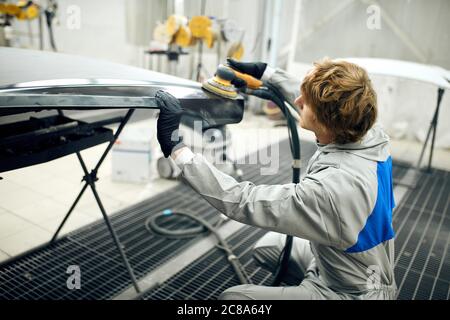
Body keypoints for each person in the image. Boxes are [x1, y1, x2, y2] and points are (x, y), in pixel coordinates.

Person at [154, 58, 397, 300]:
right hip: (339, 263)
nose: (298, 102)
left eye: (306, 103)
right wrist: (268, 75)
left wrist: (177, 149)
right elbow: (321, 103)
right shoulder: (370, 135)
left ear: (326, 121)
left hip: (350, 292)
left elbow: (242, 200)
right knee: (267, 248)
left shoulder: (332, 189)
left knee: (233, 300)